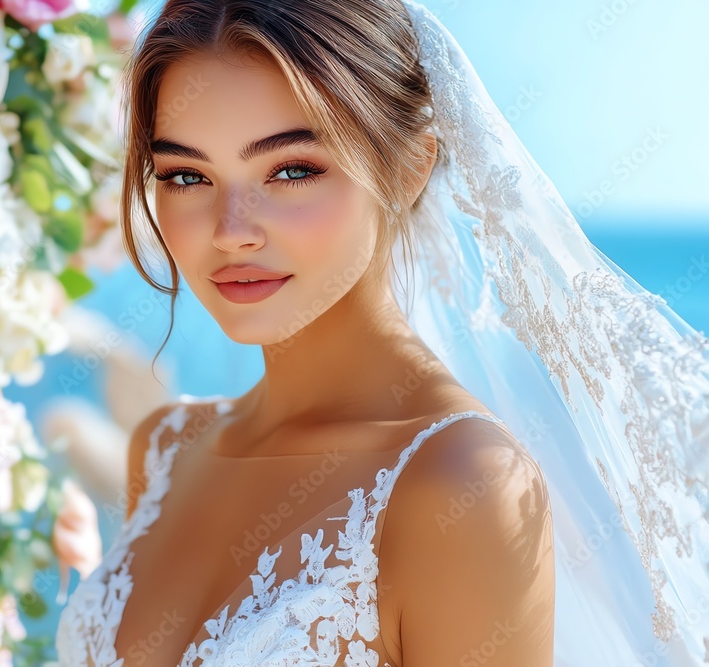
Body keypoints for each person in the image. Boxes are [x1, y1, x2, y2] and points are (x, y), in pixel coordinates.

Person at [55, 1, 709, 666]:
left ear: (408, 169)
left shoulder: (461, 485)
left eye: (291, 169)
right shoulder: (166, 450)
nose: (231, 229)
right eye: (187, 175)